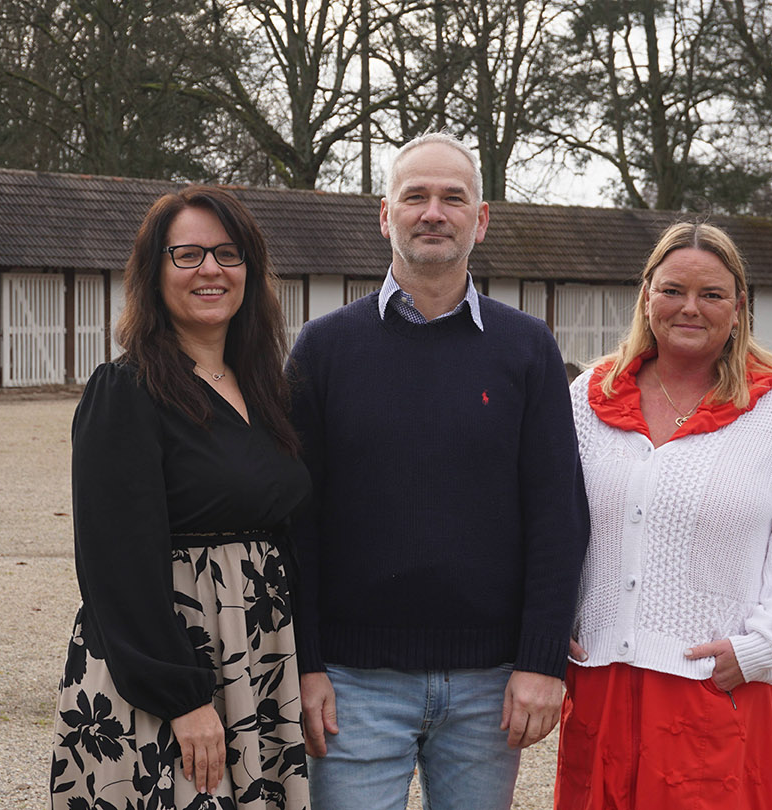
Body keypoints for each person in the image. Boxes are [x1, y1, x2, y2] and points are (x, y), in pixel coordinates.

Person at [285, 132, 590, 810]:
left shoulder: (528, 350)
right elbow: (295, 524)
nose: (433, 212)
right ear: (383, 213)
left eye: (453, 198)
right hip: (352, 684)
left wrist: (541, 661)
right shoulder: (324, 349)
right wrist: (304, 664)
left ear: (480, 221)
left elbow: (557, 514)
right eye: (415, 196)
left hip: (490, 685)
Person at [555, 222, 772, 809]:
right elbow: (544, 522)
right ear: (646, 297)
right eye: (672, 290)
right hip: (600, 689)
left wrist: (761, 648)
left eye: (711, 295)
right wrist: (545, 619)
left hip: (716, 690)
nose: (690, 307)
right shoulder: (587, 399)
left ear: (738, 308)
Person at [50, 186, 311, 810]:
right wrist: (184, 700)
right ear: (154, 272)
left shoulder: (269, 391)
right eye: (187, 254)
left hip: (258, 654)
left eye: (228, 253)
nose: (211, 270)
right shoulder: (127, 392)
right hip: (166, 669)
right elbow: (115, 564)